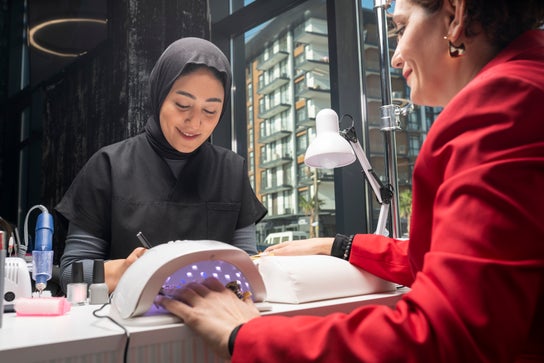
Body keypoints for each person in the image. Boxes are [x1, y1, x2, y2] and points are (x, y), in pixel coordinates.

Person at [156, 1, 544, 362]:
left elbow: (451, 333)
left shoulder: (502, 106)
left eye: (400, 28)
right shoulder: (528, 86)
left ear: (455, 14)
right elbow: (457, 264)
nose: (394, 57)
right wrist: (336, 245)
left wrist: (249, 333)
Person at [56, 37, 267, 293]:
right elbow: (70, 274)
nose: (195, 122)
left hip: (213, 324)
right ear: (159, 95)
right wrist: (126, 270)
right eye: (182, 105)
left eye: (210, 111)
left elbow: (248, 266)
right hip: (127, 327)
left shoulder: (231, 170)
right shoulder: (108, 166)